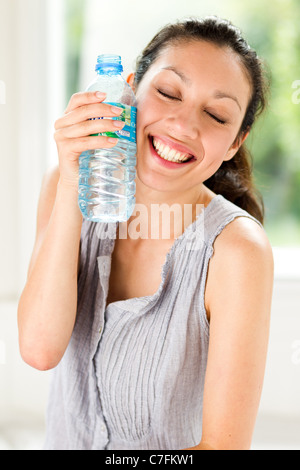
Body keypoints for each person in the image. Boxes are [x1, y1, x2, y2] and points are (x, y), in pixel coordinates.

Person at [17, 17, 274, 450]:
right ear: (130, 91)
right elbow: (40, 349)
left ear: (235, 142)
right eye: (168, 92)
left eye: (215, 114)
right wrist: (68, 184)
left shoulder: (236, 252)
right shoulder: (66, 185)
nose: (183, 124)